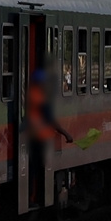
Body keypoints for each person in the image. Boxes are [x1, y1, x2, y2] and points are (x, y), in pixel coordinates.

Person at [26, 68, 72, 206]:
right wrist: (66, 133)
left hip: (31, 136)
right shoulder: (41, 98)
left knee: (32, 168)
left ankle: (31, 197)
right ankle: (32, 198)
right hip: (38, 139)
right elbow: (50, 120)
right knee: (36, 168)